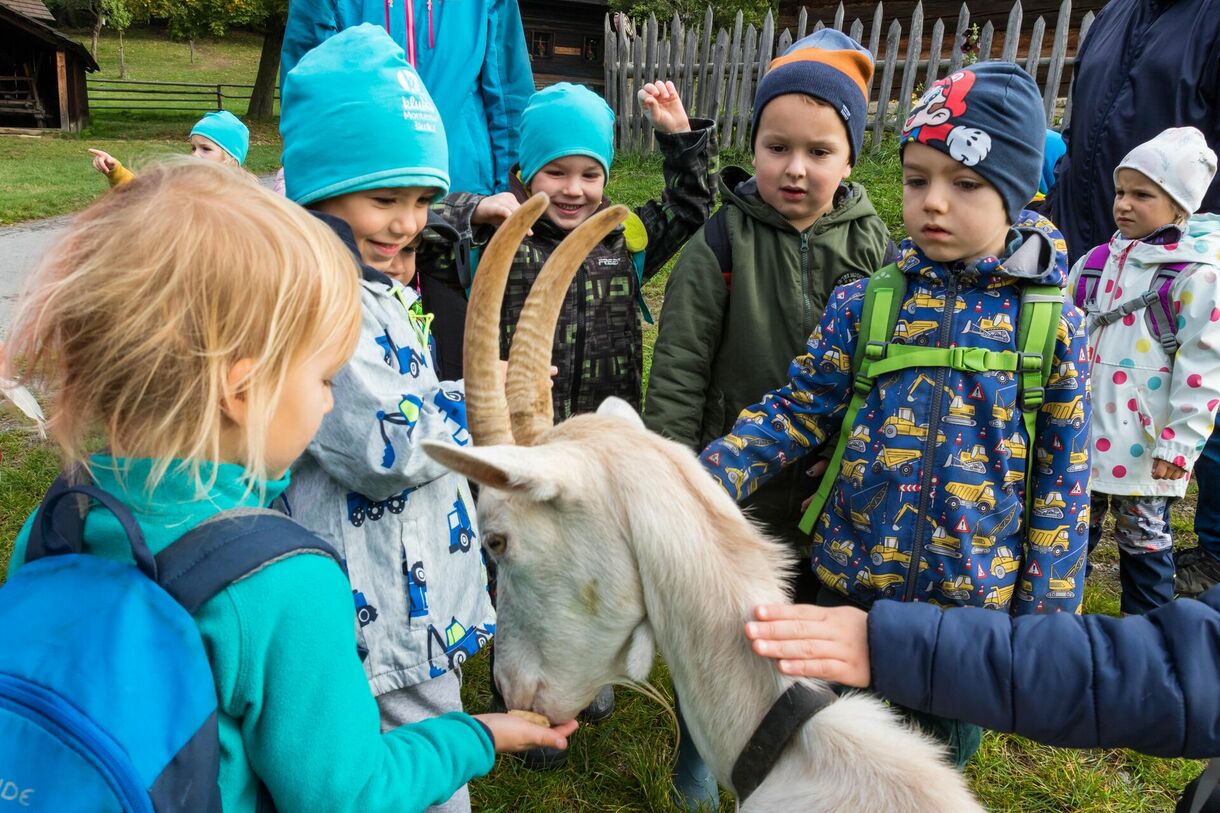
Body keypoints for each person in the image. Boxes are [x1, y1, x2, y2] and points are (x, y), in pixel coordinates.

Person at [3, 160, 575, 811]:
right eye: (326, 379)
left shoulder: (62, 515)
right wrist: (477, 732)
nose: (332, 406)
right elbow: (349, 792)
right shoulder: (282, 581)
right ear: (244, 390)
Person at [700, 62, 1091, 770]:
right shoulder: (866, 303)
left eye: (965, 183)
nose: (934, 203)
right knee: (821, 752)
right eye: (917, 179)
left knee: (929, 765)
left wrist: (1045, 632)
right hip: (849, 588)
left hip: (965, 618)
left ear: (1021, 191)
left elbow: (1064, 485)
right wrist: (703, 479)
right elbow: (795, 410)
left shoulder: (1053, 328)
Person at [279, 26, 498, 812]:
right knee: (423, 768)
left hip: (416, 584)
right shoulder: (323, 299)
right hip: (381, 604)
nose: (407, 222)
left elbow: (408, 395)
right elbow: (387, 444)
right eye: (384, 198)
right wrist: (481, 401)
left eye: (420, 200)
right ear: (320, 189)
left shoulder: (370, 285)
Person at [643, 30, 892, 593]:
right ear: (753, 148)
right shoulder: (721, 243)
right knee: (730, 635)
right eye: (778, 147)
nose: (796, 168)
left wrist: (857, 460)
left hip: (831, 487)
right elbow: (679, 368)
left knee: (816, 636)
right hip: (734, 485)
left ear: (850, 159)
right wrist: (671, 481)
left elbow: (887, 376)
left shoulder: (876, 250)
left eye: (820, 151)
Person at [743, 590, 1220, 812]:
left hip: (969, 607)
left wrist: (1042, 607)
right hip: (866, 594)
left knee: (937, 758)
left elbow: (1062, 477)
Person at [418, 80, 716, 415]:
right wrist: (473, 210)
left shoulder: (622, 240)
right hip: (523, 441)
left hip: (602, 442)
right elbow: (412, 228)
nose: (573, 189)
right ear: (528, 172)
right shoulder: (495, 242)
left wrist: (680, 135)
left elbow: (691, 204)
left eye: (590, 175)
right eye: (556, 172)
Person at [1068, 126, 1220, 615]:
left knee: (1144, 540)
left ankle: (1149, 638)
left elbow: (1204, 368)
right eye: (1120, 191)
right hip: (1082, 430)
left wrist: (1180, 443)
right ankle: (1056, 628)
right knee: (1067, 537)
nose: (1124, 204)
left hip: (1145, 441)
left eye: (1142, 194)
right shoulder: (1094, 263)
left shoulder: (1194, 276)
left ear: (1179, 206)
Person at [281, 0, 533, 197]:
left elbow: (509, 97)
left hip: (469, 196)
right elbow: (308, 94)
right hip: (362, 191)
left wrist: (510, 192)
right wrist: (313, 194)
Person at [1045, 0, 1220, 264]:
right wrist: (1055, 204)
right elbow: (1078, 129)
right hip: (1077, 261)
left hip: (1166, 277)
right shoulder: (1113, 12)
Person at [88, 110, 249, 186]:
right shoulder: (181, 183)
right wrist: (116, 171)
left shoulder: (242, 196)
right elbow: (140, 195)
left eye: (205, 149)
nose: (195, 155)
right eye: (193, 148)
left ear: (231, 157)